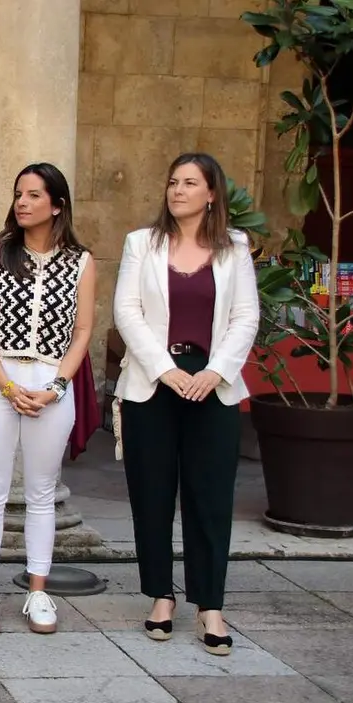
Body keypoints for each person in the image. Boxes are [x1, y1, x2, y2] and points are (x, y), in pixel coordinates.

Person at [113, 152, 259, 656]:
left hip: (214, 383)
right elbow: (126, 311)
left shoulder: (235, 247)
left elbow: (246, 316)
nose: (178, 190)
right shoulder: (141, 243)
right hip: (153, 382)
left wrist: (216, 371)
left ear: (211, 194)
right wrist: (165, 369)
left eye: (190, 183)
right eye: (173, 182)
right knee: (151, 494)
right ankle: (160, 596)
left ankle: (210, 605)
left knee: (211, 498)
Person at [0, 163, 96, 635]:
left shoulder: (81, 261)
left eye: (34, 195)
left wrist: (57, 386)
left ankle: (38, 591)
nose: (22, 202)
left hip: (51, 382)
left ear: (57, 205)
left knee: (42, 492)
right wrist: (5, 385)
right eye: (19, 193)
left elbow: (83, 331)